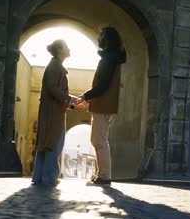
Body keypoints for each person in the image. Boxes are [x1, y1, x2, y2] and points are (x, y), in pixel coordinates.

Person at [75, 27, 126, 185]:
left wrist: (85, 96)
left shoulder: (108, 58)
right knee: (97, 139)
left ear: (108, 38)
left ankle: (105, 176)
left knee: (100, 140)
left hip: (103, 104)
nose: (98, 38)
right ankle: (101, 173)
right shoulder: (110, 57)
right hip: (102, 103)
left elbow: (103, 85)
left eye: (101, 35)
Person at [32, 39, 76, 186]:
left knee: (46, 144)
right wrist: (69, 99)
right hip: (53, 112)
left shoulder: (55, 66)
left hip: (52, 110)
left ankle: (39, 177)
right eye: (66, 46)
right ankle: (49, 178)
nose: (69, 48)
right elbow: (52, 88)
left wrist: (70, 100)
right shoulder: (55, 67)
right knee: (53, 144)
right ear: (59, 50)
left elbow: (54, 89)